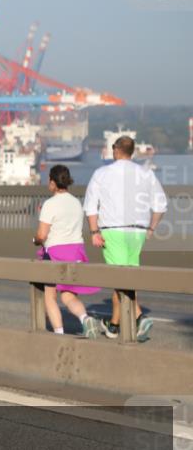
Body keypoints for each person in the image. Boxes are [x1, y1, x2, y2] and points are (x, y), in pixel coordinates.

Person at [83, 135, 168, 342]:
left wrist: (94, 232)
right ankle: (114, 326)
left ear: (115, 150)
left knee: (120, 278)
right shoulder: (146, 174)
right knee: (126, 277)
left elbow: (90, 206)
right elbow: (161, 206)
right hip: (138, 231)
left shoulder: (102, 173)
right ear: (132, 151)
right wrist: (151, 229)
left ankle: (140, 317)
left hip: (113, 230)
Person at [33, 166, 101, 338]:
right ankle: (85, 319)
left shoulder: (49, 204)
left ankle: (59, 334)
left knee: (50, 297)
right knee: (68, 296)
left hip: (55, 253)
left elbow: (42, 235)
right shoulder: (76, 202)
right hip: (76, 251)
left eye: (49, 180)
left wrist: (35, 241)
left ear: (54, 182)